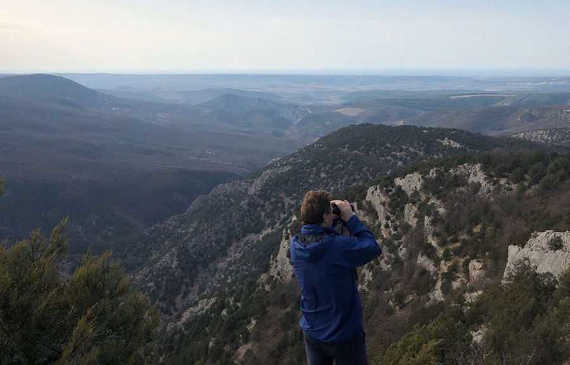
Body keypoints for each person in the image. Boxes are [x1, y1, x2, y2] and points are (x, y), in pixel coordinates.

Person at [290, 190, 382, 365]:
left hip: (312, 332)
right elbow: (372, 247)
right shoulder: (336, 247)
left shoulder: (295, 245)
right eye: (329, 213)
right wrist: (350, 218)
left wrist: (330, 221)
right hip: (344, 334)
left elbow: (318, 237)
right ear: (325, 216)